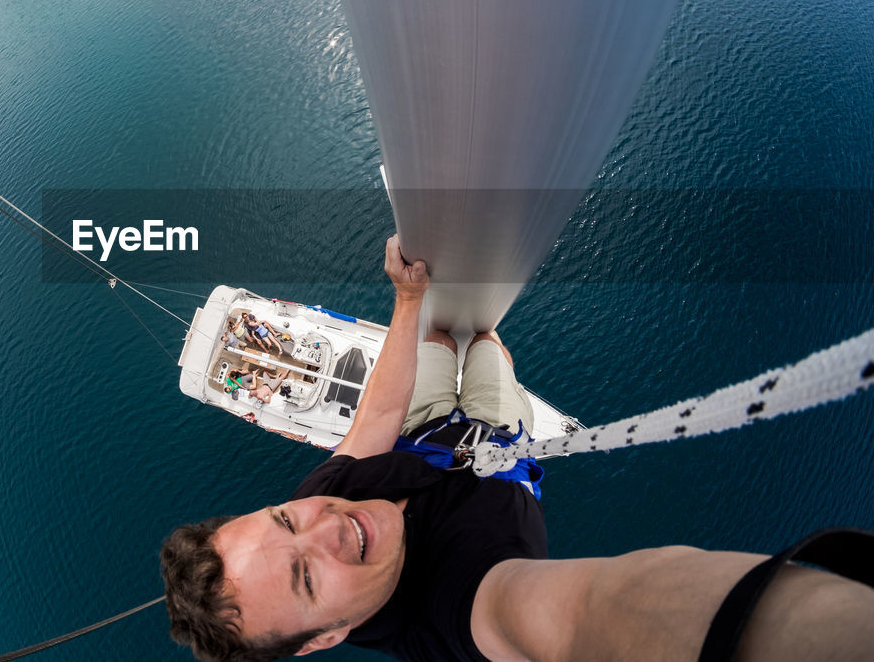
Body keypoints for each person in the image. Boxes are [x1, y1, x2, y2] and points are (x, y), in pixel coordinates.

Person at [160, 236, 874, 662]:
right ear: (324, 639)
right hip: (500, 443)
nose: (328, 528)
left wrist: (407, 302)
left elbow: (373, 417)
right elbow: (592, 610)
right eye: (306, 580)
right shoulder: (456, 614)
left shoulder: (324, 495)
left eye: (286, 518)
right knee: (493, 348)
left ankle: (445, 337)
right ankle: (488, 351)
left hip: (429, 427)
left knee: (440, 338)